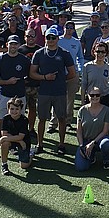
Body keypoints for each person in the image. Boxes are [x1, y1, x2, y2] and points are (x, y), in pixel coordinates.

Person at [29, 27, 76, 156]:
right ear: (45, 38)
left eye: (53, 38)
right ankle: (40, 144)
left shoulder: (64, 53)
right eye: (48, 37)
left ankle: (61, 144)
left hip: (59, 92)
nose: (50, 40)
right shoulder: (39, 53)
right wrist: (45, 77)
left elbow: (72, 73)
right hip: (44, 91)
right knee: (42, 118)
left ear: (57, 39)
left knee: (61, 118)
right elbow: (32, 73)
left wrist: (60, 79)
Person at [0, 35, 31, 160]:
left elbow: (30, 75)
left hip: (20, 96)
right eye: (11, 44)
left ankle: (15, 146)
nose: (13, 46)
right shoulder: (0, 60)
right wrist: (7, 82)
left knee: (19, 121)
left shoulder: (24, 60)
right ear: (7, 44)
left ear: (19, 45)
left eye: (15, 44)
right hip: (5, 95)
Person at [75, 86, 109, 171]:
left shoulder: (106, 110)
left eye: (97, 95)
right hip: (86, 140)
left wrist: (93, 143)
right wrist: (82, 146)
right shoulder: (82, 110)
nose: (95, 97)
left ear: (100, 96)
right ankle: (91, 156)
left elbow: (105, 131)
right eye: (92, 95)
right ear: (88, 96)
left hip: (100, 139)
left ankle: (106, 160)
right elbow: (79, 131)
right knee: (80, 168)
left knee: (106, 144)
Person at [0, 97, 32, 176]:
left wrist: (4, 138)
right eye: (12, 109)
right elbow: (4, 134)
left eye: (17, 109)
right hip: (17, 141)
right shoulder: (6, 118)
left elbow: (21, 136)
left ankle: (31, 154)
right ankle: (4, 165)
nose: (14, 111)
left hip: (24, 142)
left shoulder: (24, 120)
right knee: (5, 143)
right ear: (8, 109)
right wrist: (19, 141)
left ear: (21, 110)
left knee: (24, 166)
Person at [82, 40, 109, 110]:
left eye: (103, 52)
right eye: (98, 51)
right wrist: (82, 101)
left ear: (106, 53)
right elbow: (83, 85)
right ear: (94, 52)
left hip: (106, 98)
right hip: (91, 98)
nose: (100, 54)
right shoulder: (87, 66)